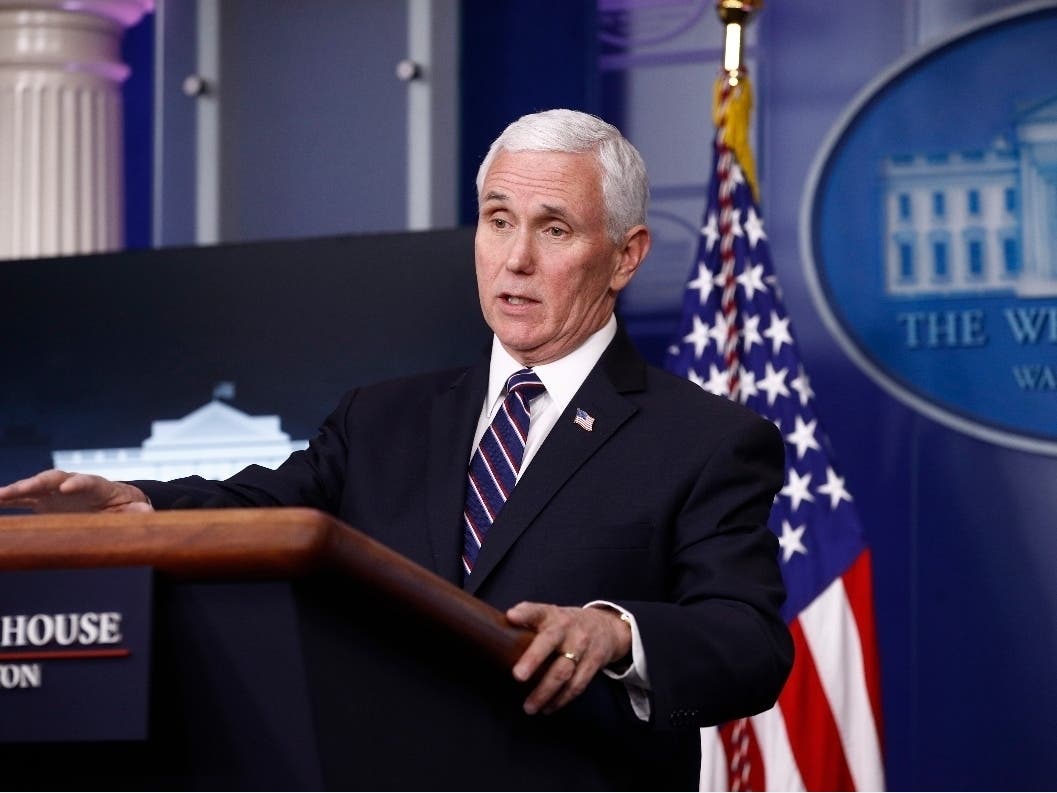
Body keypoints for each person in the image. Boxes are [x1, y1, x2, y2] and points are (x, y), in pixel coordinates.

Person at [0, 108, 792, 789]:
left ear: (625, 254)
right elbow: (264, 508)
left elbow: (748, 643)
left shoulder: (704, 440)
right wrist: (139, 504)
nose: (515, 259)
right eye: (496, 218)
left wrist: (617, 633)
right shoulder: (382, 416)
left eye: (553, 228)